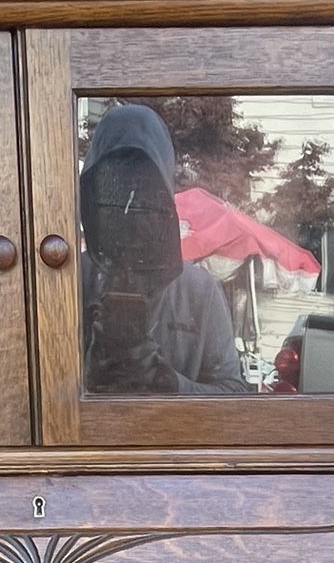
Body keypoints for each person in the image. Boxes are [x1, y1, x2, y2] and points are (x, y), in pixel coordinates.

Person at [78, 104, 248, 396]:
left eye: (144, 188)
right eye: (115, 187)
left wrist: (167, 382)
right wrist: (88, 371)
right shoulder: (72, 281)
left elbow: (234, 394)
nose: (130, 204)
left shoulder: (199, 290)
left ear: (164, 196)